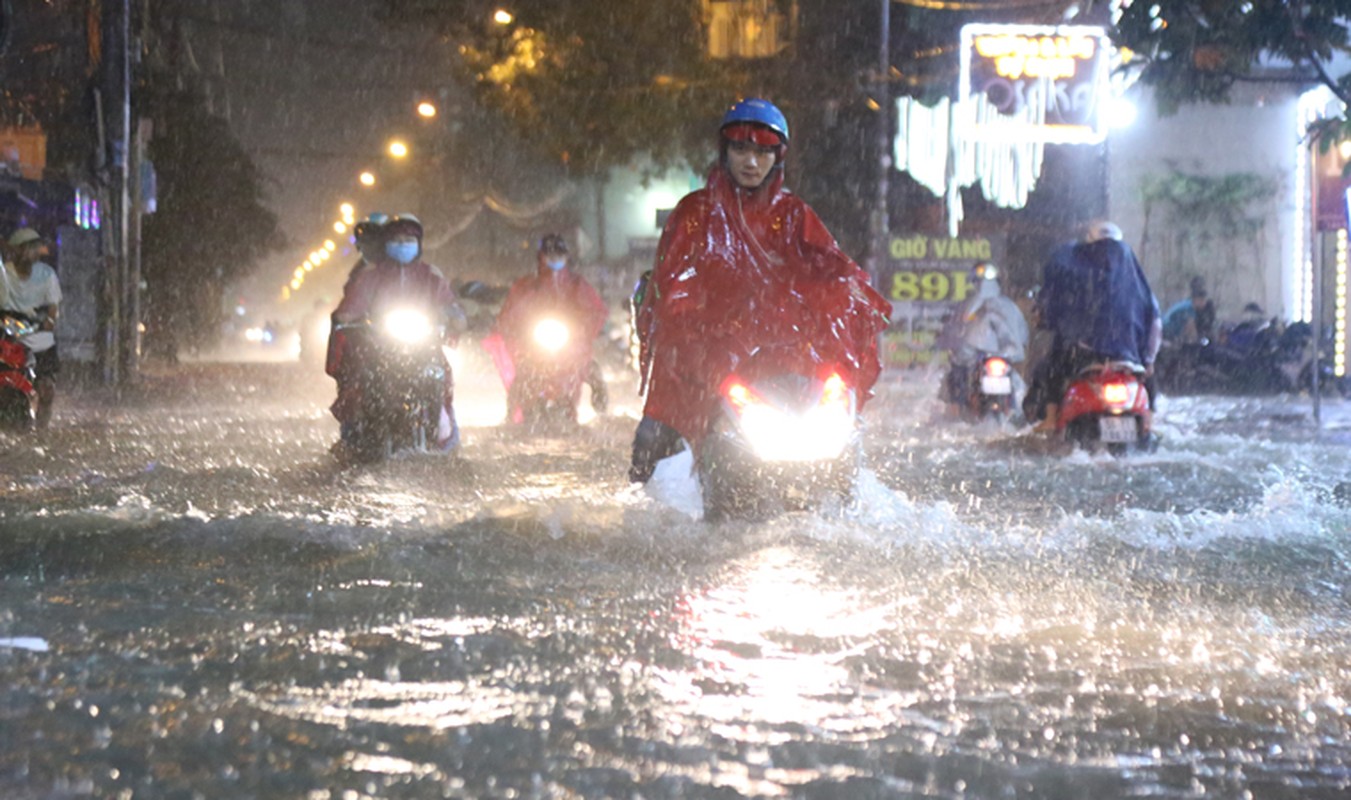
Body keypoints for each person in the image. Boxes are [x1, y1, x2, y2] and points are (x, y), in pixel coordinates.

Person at [629, 97, 891, 483]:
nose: (751, 162)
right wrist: (702, 338)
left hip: (780, 361)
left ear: (778, 158)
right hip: (702, 357)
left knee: (843, 440)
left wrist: (850, 291)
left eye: (762, 152)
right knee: (651, 440)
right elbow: (674, 288)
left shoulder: (794, 215)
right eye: (741, 149)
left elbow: (829, 269)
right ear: (725, 151)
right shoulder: (694, 214)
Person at [329, 213, 467, 451]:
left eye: (409, 239)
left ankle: (446, 439)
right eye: (397, 239)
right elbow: (350, 309)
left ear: (419, 243)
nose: (403, 244)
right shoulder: (370, 275)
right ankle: (355, 438)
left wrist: (454, 318)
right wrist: (349, 319)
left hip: (424, 348)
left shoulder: (431, 275)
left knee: (440, 376)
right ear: (387, 243)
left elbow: (451, 307)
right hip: (379, 350)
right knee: (361, 379)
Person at [1025, 220, 1161, 432]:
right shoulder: (1134, 279)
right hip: (1127, 358)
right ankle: (1149, 421)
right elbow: (1155, 324)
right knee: (1149, 375)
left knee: (1050, 367)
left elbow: (1053, 307)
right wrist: (1148, 359)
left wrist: (1049, 318)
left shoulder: (1074, 270)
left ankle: (1051, 418)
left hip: (1084, 356)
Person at [485, 233, 610, 424]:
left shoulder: (576, 285)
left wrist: (583, 327)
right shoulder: (527, 286)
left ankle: (603, 412)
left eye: (559, 254)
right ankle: (510, 417)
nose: (555, 259)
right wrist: (513, 327)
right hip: (534, 346)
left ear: (567, 257)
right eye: (549, 254)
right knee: (523, 376)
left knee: (591, 369)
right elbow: (511, 314)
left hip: (570, 347)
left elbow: (595, 310)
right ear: (540, 257)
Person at [935, 261, 1029, 417]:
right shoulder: (1010, 306)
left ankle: (956, 409)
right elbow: (1023, 336)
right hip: (997, 359)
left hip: (975, 359)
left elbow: (954, 334)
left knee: (955, 377)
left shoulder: (967, 305)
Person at [1, 228, 62, 429]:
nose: (34, 253)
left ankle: (42, 430)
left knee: (47, 388)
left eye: (36, 249)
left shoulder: (46, 274)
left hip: (39, 339)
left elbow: (53, 307)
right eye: (29, 249)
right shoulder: (4, 274)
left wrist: (48, 323)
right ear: (18, 250)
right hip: (9, 339)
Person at [1161, 275, 1216, 343]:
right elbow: (1191, 329)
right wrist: (1197, 341)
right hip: (1165, 329)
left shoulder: (1188, 304)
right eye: (1202, 300)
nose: (1204, 303)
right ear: (1196, 300)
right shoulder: (1190, 308)